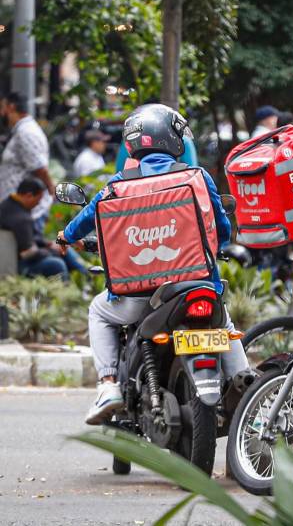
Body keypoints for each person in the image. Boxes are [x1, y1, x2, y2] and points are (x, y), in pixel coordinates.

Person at [57, 104, 250, 425]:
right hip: (196, 287)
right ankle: (248, 387)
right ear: (173, 140)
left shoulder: (116, 187)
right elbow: (224, 232)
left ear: (133, 144)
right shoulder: (198, 177)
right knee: (224, 326)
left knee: (98, 311)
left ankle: (108, 386)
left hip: (137, 298)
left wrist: (65, 236)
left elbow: (82, 223)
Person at [0, 176, 86, 280]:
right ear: (29, 196)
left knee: (63, 248)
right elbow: (28, 254)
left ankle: (85, 277)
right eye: (38, 200)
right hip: (20, 265)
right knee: (57, 264)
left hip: (16, 256)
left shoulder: (8, 205)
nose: (38, 204)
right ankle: (83, 281)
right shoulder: (21, 218)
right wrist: (51, 251)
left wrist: (47, 244)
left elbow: (27, 238)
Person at [0, 92, 55, 234]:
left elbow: (40, 169)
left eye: (3, 108)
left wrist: (51, 190)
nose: (1, 113)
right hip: (20, 210)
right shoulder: (21, 131)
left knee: (32, 252)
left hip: (28, 212)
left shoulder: (26, 133)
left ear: (11, 107)